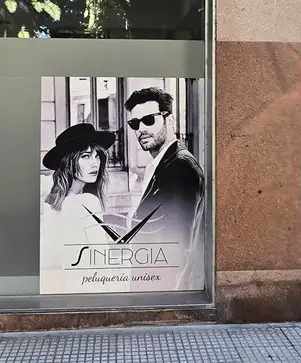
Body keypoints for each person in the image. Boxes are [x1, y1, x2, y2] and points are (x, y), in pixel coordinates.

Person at [125, 87, 206, 291]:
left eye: (148, 120)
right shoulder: (163, 165)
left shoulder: (179, 167)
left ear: (169, 120)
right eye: (135, 123)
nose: (141, 129)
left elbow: (179, 248)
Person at [39, 123, 124, 294]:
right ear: (68, 162)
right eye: (86, 156)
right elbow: (102, 262)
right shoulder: (88, 202)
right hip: (89, 292)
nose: (95, 164)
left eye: (97, 156)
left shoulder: (53, 203)